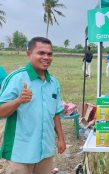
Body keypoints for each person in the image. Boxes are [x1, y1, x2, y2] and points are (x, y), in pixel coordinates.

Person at [0, 37, 66, 174]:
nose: (46, 57)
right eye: (41, 53)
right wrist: (18, 101)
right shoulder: (16, 78)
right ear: (29, 54)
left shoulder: (53, 82)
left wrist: (61, 139)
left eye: (49, 54)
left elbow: (56, 114)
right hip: (20, 152)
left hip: (45, 151)